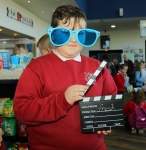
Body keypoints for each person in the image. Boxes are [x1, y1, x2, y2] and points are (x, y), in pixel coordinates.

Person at [14, 5, 117, 150]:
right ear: (53, 34)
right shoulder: (36, 68)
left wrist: (107, 120)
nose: (74, 39)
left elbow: (110, 98)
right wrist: (62, 101)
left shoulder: (98, 68)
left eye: (80, 33)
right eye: (65, 32)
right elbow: (22, 111)